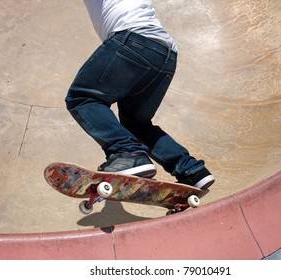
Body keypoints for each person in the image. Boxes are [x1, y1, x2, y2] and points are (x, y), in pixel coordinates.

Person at [65, 0, 214, 189]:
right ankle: (191, 170)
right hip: (165, 54)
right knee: (136, 125)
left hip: (133, 39)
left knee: (82, 98)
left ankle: (127, 153)